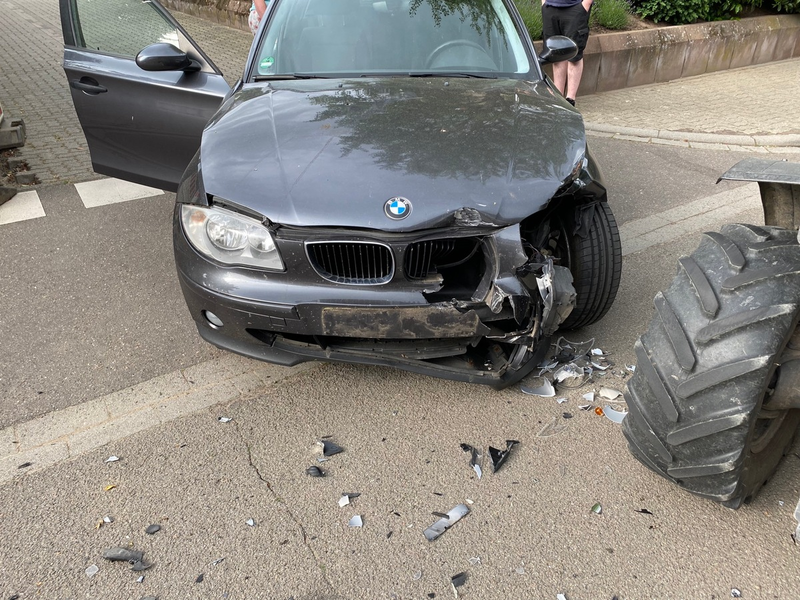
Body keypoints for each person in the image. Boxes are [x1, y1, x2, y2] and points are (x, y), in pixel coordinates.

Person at [540, 0, 593, 106]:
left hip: (575, 8)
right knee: (556, 52)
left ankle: (570, 99)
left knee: (574, 54)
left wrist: (584, 6)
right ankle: (558, 96)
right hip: (550, 7)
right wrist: (544, 3)